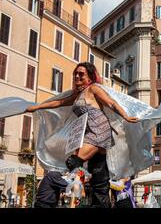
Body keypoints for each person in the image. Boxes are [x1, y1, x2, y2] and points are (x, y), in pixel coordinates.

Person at [26, 62, 138, 207]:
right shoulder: (77, 95)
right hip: (92, 134)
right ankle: (94, 197)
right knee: (99, 177)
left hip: (100, 132)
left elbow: (111, 103)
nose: (77, 76)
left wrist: (126, 116)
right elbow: (59, 102)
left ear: (90, 76)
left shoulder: (93, 89)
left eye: (81, 74)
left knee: (73, 161)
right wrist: (37, 107)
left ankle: (77, 186)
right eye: (75, 73)